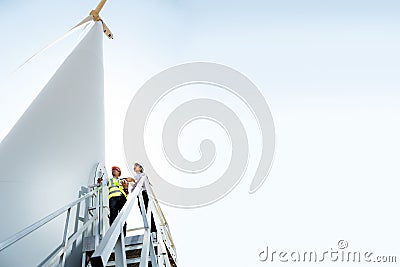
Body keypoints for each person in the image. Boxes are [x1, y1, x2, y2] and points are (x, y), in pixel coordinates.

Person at [97, 166, 135, 236]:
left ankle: (122, 235)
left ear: (119, 172)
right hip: (113, 199)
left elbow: (127, 192)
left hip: (122, 198)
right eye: (113, 170)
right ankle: (113, 234)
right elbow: (101, 184)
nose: (114, 171)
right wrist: (99, 182)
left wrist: (126, 188)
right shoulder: (108, 180)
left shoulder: (122, 180)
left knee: (122, 216)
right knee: (113, 216)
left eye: (116, 170)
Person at [133, 162, 157, 235]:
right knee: (143, 211)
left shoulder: (143, 175)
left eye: (136, 166)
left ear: (140, 168)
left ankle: (153, 229)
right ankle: (149, 227)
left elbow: (142, 183)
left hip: (144, 193)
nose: (134, 167)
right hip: (139, 195)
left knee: (146, 211)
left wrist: (134, 182)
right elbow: (134, 188)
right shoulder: (136, 176)